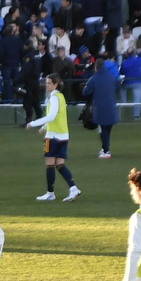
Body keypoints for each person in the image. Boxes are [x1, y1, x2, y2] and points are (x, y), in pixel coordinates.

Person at [27, 73, 80, 202]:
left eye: (49, 83)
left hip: (54, 136)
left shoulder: (54, 98)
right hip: (63, 135)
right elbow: (57, 116)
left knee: (50, 164)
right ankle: (73, 188)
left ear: (56, 84)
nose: (47, 85)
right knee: (60, 164)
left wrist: (33, 123)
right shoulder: (60, 97)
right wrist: (45, 127)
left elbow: (51, 116)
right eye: (46, 83)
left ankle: (50, 193)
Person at [83, 58, 120, 159]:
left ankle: (106, 151)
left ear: (96, 67)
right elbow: (117, 87)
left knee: (103, 130)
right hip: (111, 107)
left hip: (100, 109)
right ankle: (105, 148)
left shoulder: (94, 79)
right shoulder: (112, 78)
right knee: (107, 130)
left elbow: (85, 92)